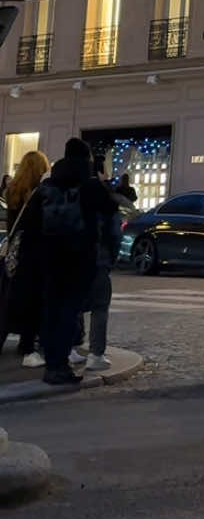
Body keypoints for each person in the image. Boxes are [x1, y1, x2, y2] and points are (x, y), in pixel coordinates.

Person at [25, 138, 113, 388]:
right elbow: (109, 214)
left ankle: (52, 363)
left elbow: (30, 225)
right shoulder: (89, 186)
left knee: (51, 310)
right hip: (79, 257)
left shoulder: (47, 186)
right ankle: (60, 365)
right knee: (68, 312)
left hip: (49, 259)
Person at [3, 150, 50, 365]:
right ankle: (28, 346)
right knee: (32, 301)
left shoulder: (12, 190)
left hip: (15, 253)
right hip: (32, 253)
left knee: (8, 300)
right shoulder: (39, 194)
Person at [80, 179, 122, 372]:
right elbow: (115, 236)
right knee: (100, 307)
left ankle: (70, 346)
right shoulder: (109, 211)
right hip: (99, 259)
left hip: (78, 258)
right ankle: (96, 354)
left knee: (73, 305)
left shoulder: (76, 202)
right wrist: (110, 258)